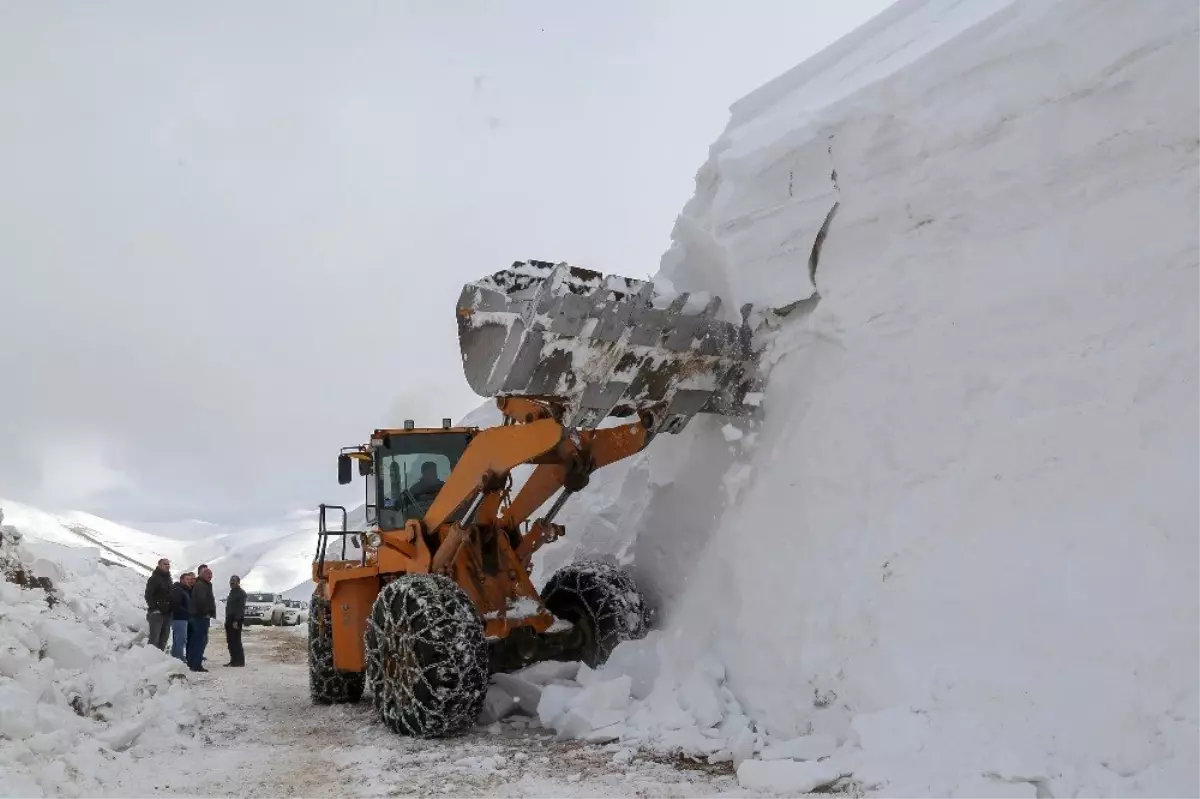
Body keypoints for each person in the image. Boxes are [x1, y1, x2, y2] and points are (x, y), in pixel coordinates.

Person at [187, 564, 217, 672]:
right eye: (208, 574)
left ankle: (191, 662)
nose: (210, 576)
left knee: (196, 640)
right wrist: (206, 612)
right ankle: (196, 664)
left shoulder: (204, 584)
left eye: (211, 574)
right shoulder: (201, 585)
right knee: (199, 640)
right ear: (202, 574)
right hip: (200, 617)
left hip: (199, 616)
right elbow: (201, 601)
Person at [144, 558, 173, 650]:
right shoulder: (154, 578)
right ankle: (150, 659)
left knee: (164, 638)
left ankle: (159, 660)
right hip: (157, 613)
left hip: (167, 613)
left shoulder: (168, 579)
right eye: (165, 564)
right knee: (154, 639)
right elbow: (148, 594)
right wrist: (154, 608)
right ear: (159, 565)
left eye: (168, 564)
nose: (167, 566)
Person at [169, 572, 195, 662]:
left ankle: (175, 657)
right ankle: (178, 658)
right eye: (186, 579)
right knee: (181, 639)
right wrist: (188, 613)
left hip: (182, 618)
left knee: (179, 639)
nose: (188, 581)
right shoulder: (178, 590)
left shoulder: (184, 590)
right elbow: (176, 605)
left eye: (189, 579)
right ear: (181, 580)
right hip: (179, 618)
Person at [224, 575, 246, 667]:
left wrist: (236, 620)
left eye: (234, 581)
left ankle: (239, 661)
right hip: (229, 619)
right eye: (231, 580)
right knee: (230, 641)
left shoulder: (241, 593)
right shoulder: (232, 592)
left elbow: (241, 608)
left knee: (236, 640)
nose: (231, 582)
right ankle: (233, 660)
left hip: (236, 620)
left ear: (238, 582)